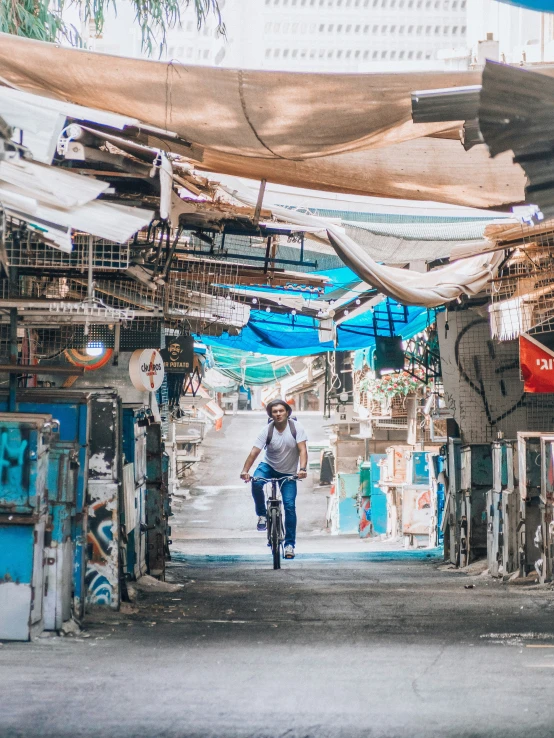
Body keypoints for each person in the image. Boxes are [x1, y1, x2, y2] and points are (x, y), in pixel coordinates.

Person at [240, 399, 308, 559]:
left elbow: (303, 450)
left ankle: (289, 544)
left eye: (281, 411)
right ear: (271, 414)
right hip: (268, 466)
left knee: (290, 507)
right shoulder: (267, 430)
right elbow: (254, 452)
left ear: (287, 412)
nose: (278, 414)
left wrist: (303, 469)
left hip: (289, 472)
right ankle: (262, 515)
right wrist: (245, 471)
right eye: (274, 412)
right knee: (256, 482)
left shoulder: (296, 428)